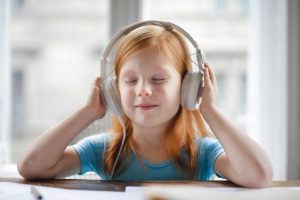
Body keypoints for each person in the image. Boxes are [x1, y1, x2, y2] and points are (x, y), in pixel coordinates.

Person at [17, 22, 273, 188]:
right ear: (113, 91)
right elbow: (30, 167)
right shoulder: (105, 151)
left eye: (158, 79)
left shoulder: (202, 153)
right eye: (130, 80)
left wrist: (210, 110)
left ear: (188, 87)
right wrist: (88, 113)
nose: (143, 90)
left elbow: (259, 175)